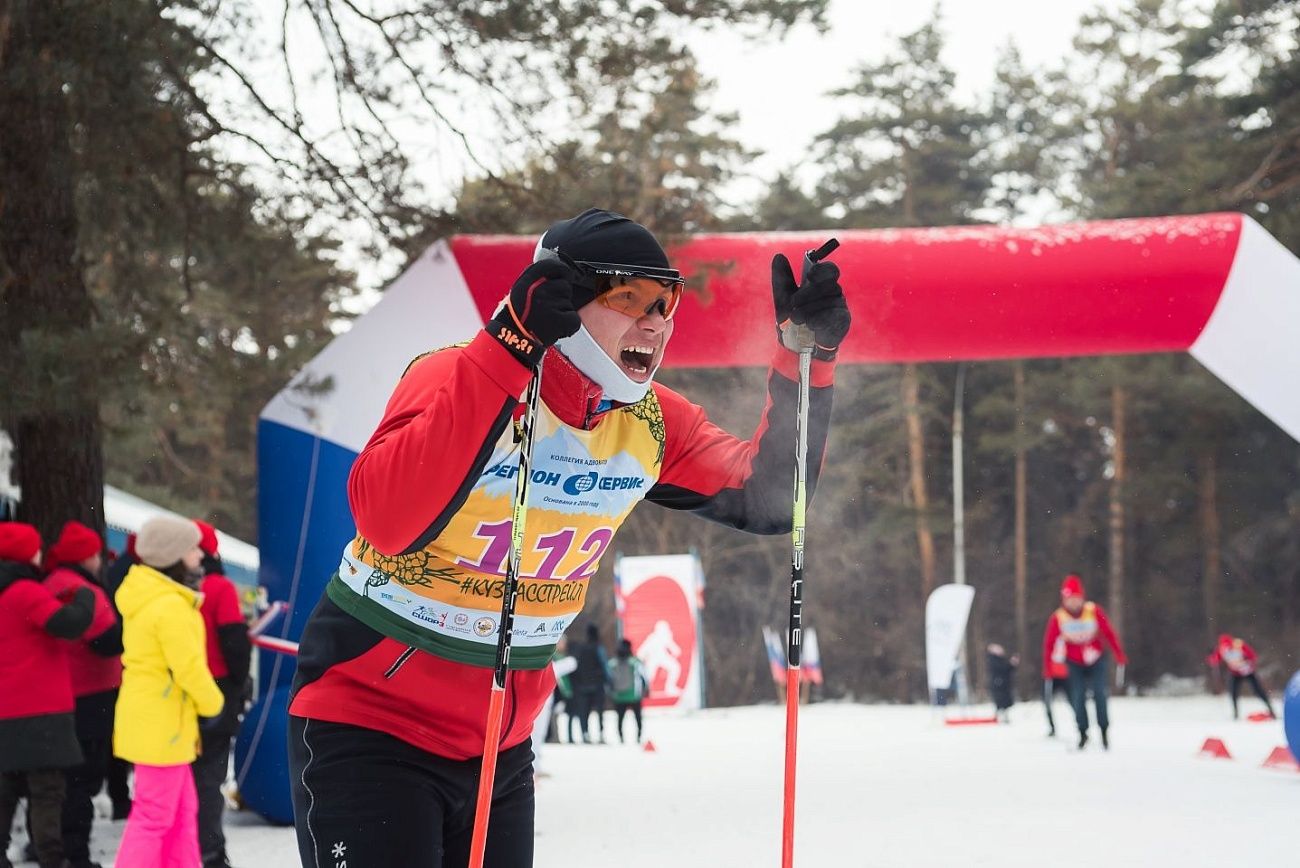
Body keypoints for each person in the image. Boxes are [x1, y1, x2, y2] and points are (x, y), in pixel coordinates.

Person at [287, 207, 850, 867]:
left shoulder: (651, 421)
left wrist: (808, 360)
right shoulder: (458, 373)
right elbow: (387, 520)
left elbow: (772, 497)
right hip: (372, 725)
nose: (655, 322)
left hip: (501, 741)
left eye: (664, 303)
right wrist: (507, 348)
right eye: (629, 298)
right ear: (560, 299)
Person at [113, 517, 224, 868]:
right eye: (193, 549)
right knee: (155, 816)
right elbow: (189, 667)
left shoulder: (153, 596)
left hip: (158, 721)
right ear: (173, 556)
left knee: (181, 812)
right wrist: (214, 703)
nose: (200, 555)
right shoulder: (170, 605)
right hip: (162, 724)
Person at [0, 522, 95, 868]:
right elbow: (69, 624)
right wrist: (84, 596)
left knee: (5, 791)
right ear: (28, 554)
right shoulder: (24, 591)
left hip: (5, 711)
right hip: (41, 711)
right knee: (47, 793)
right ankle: (51, 859)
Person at [43, 521, 124, 868]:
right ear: (84, 557)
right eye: (94, 554)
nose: (98, 561)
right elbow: (105, 642)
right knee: (82, 778)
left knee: (58, 778)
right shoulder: (79, 589)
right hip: (90, 695)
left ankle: (49, 843)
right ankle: (75, 853)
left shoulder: (50, 583)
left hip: (61, 693)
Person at [190, 521, 251, 868]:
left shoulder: (167, 588)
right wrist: (240, 683)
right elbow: (234, 643)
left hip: (178, 694)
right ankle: (209, 851)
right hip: (216, 689)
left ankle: (183, 846)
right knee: (209, 778)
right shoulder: (218, 588)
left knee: (182, 779)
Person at [1041, 574, 1127, 750]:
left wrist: (1119, 654)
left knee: (1099, 693)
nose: (1073, 603)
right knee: (1078, 696)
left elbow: (1109, 633)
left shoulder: (1093, 611)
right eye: (1069, 599)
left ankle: (1103, 730)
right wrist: (1048, 668)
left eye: (1076, 598)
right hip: (1074, 662)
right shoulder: (1058, 617)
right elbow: (1048, 645)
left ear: (1082, 597)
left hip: (1096, 658)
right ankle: (1082, 732)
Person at [1206, 633, 1276, 720]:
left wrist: (1248, 660)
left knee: (1258, 691)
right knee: (1233, 693)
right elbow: (1214, 660)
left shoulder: (1239, 645)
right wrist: (1211, 656)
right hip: (1235, 674)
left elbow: (1253, 656)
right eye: (1224, 646)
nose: (1227, 648)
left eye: (1228, 645)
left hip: (1248, 671)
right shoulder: (1222, 649)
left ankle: (1271, 710)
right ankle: (1236, 714)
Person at [570, 623, 612, 744]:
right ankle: (601, 734)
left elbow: (575, 666)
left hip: (583, 685)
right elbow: (604, 665)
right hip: (597, 684)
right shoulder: (598, 647)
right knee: (599, 711)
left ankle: (585, 733)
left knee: (584, 711)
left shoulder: (580, 648)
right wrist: (609, 681)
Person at [609, 639, 649, 743]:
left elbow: (608, 678)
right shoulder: (635, 662)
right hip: (634, 695)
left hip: (619, 696)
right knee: (638, 717)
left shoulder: (612, 663)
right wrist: (646, 689)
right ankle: (639, 736)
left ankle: (621, 736)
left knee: (620, 718)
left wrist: (611, 692)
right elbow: (644, 676)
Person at [985, 643, 1018, 723]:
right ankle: (1000, 717)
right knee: (1000, 701)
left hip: (1003, 684)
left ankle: (1003, 716)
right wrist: (1011, 664)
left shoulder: (1000, 659)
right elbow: (1002, 669)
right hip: (998, 684)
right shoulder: (993, 659)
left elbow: (1007, 670)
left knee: (1005, 701)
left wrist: (1012, 665)